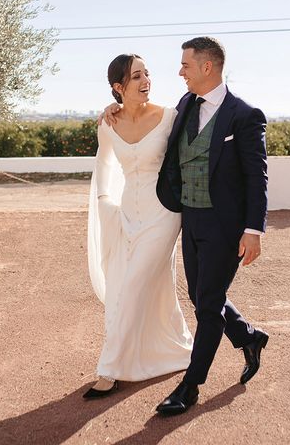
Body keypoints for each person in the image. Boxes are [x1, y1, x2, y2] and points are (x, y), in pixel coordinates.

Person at [104, 37, 269, 416]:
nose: (179, 72)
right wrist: (111, 109)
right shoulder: (184, 106)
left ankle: (190, 385)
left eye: (186, 65)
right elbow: (141, 115)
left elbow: (257, 177)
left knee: (207, 306)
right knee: (199, 295)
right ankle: (248, 336)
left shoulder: (244, 115)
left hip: (226, 225)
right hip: (186, 219)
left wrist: (253, 230)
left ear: (206, 68)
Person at [85, 54, 193, 399]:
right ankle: (175, 347)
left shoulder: (169, 117)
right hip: (126, 214)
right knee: (147, 284)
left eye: (147, 73)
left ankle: (109, 369)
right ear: (119, 87)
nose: (146, 79)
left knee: (131, 286)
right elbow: (103, 164)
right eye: (136, 76)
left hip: (163, 213)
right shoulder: (108, 123)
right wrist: (104, 201)